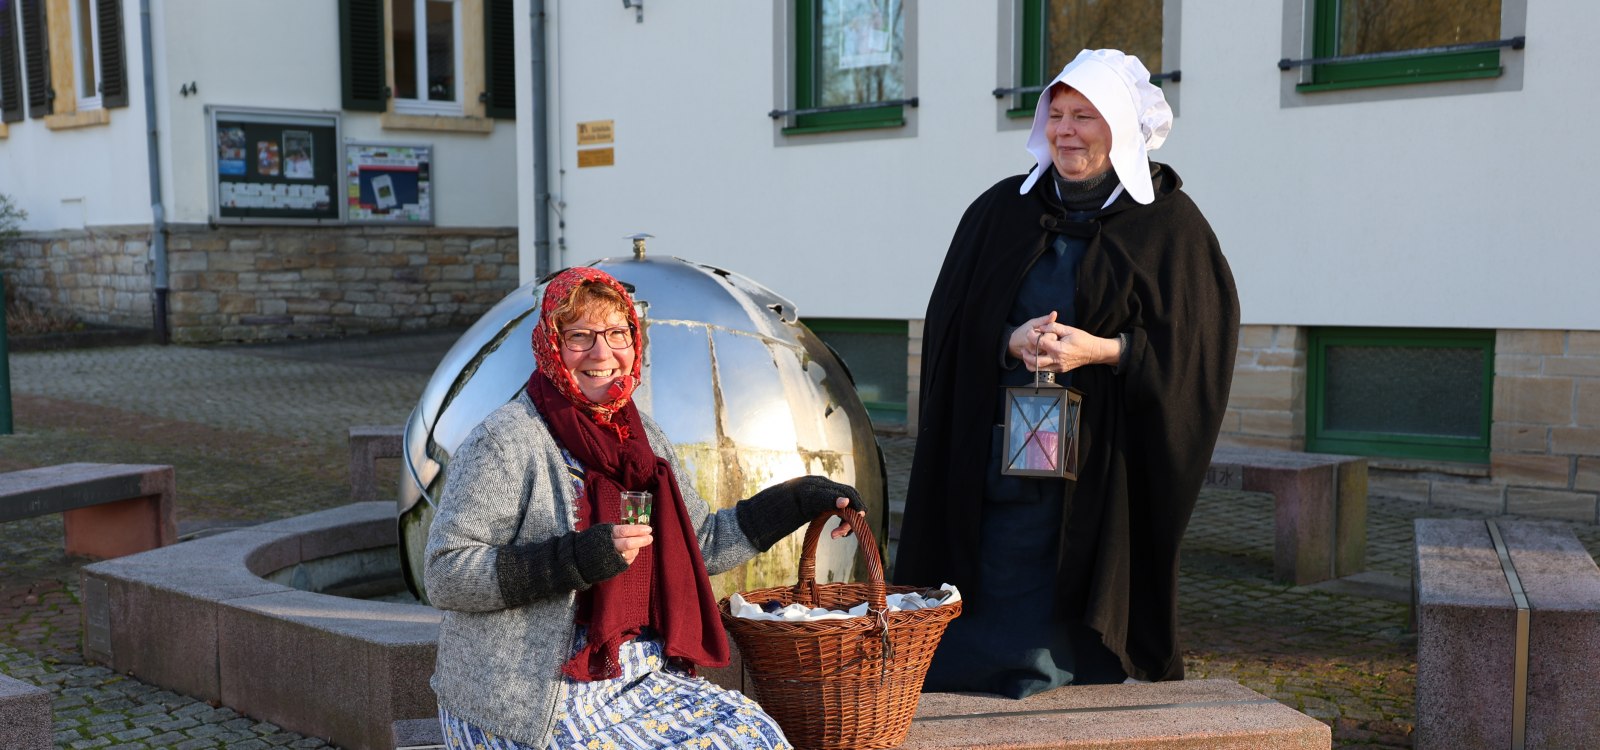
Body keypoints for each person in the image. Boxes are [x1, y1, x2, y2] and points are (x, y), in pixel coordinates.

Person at [893, 48, 1239, 698]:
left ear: (1122, 128)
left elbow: (1198, 352)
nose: (1065, 131)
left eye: (1085, 116)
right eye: (1055, 114)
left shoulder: (1170, 228)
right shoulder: (999, 213)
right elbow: (948, 328)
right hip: (997, 466)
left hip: (1100, 476)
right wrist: (1007, 339)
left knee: (1067, 632)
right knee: (982, 604)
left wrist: (1104, 352)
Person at [425, 267, 864, 749]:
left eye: (617, 334)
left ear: (635, 344)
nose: (602, 353)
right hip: (525, 699)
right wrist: (574, 559)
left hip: (634, 673)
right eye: (580, 337)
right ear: (551, 345)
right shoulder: (507, 440)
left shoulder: (641, 438)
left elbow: (703, 544)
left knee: (754, 735)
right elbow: (446, 573)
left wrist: (798, 498)